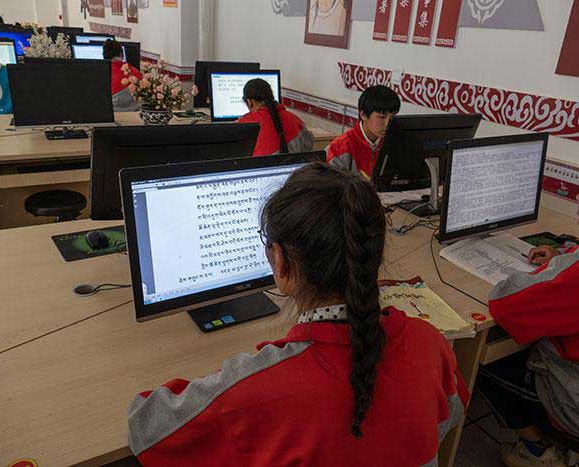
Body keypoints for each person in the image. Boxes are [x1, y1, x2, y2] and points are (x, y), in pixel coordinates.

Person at [127, 163, 469, 466]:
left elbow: (146, 429)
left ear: (281, 261)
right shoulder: (429, 341)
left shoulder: (256, 388)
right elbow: (448, 417)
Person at [478, 155, 579, 466]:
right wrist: (568, 257)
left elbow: (505, 304)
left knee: (487, 357)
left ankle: (535, 448)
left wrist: (564, 267)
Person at [326, 85, 400, 181]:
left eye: (392, 117)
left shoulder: (394, 143)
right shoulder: (339, 149)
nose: (388, 124)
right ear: (363, 115)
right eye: (382, 117)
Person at [237, 78, 313, 156]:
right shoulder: (296, 120)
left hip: (260, 167)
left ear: (249, 102)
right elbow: (309, 146)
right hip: (296, 167)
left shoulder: (243, 124)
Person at [103, 39, 142, 112]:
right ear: (122, 54)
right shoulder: (135, 71)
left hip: (114, 114)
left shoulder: (103, 73)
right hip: (135, 115)